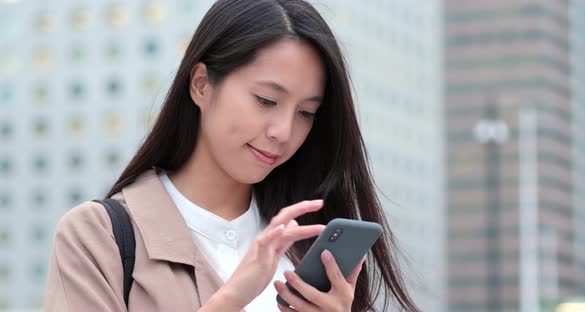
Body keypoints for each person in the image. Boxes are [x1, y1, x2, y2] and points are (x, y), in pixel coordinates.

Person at [44, 0, 419, 311]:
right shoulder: (98, 237)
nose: (284, 132)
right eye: (266, 100)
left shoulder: (310, 247)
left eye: (306, 113)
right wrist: (231, 299)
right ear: (202, 85)